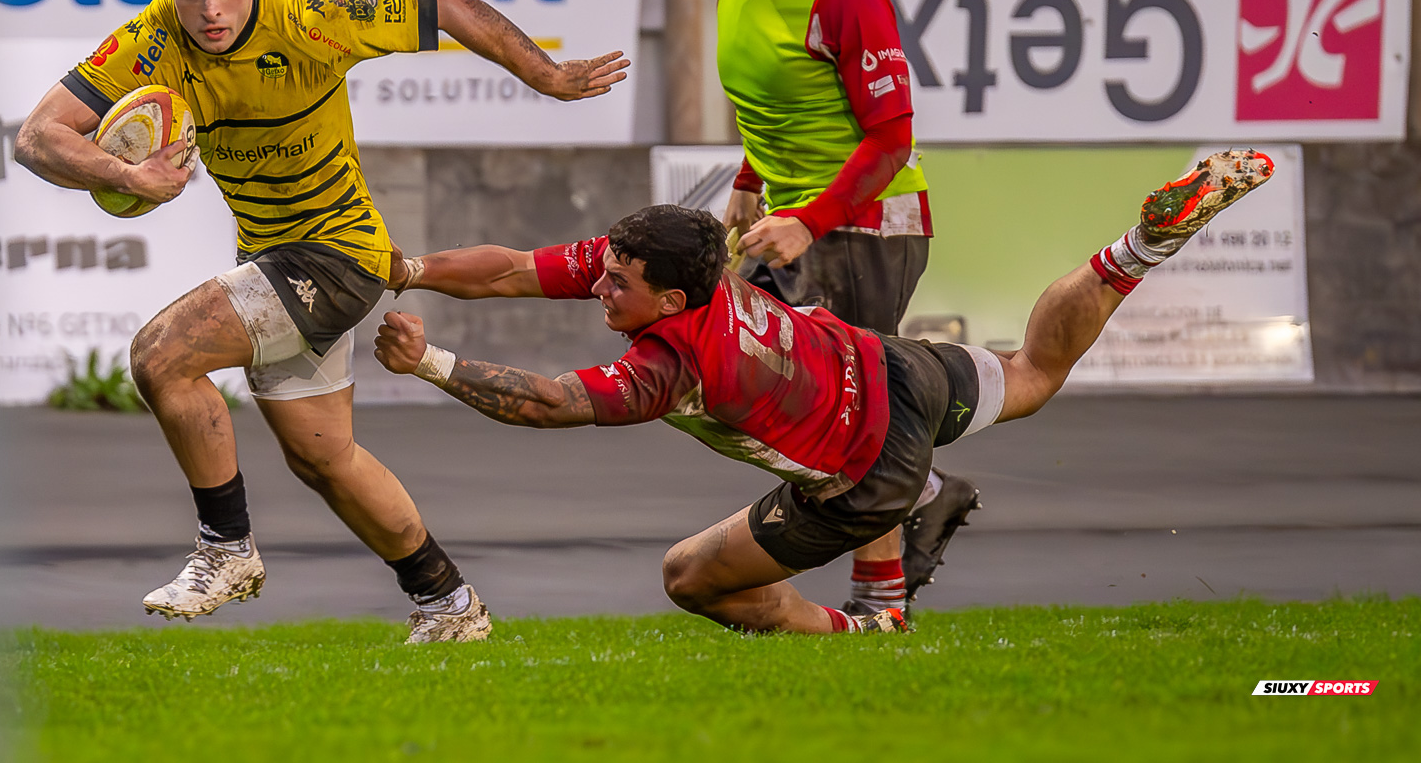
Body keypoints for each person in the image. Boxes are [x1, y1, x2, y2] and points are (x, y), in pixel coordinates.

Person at [15, 0, 627, 642]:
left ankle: (225, 546)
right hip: (272, 259)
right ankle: (448, 602)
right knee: (325, 458)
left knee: (160, 355)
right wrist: (128, 174)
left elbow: (449, 3)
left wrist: (548, 76)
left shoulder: (312, 20)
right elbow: (37, 137)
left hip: (337, 255)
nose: (211, 8)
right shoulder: (150, 41)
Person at [376, 151, 1275, 634]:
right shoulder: (677, 261)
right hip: (889, 366)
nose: (598, 287)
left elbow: (549, 401)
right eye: (601, 271)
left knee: (688, 577)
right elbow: (509, 270)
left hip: (863, 473)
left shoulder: (675, 363)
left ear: (674, 300)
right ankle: (1137, 250)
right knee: (1035, 374)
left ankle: (863, 627)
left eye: (615, 284)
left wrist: (428, 363)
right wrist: (407, 267)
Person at [708, 0, 974, 615]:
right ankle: (923, 485)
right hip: (791, 220)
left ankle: (882, 597)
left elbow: (892, 140)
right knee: (734, 376)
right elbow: (775, 106)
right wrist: (750, 184)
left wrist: (808, 222)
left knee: (855, 413)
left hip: (863, 227)